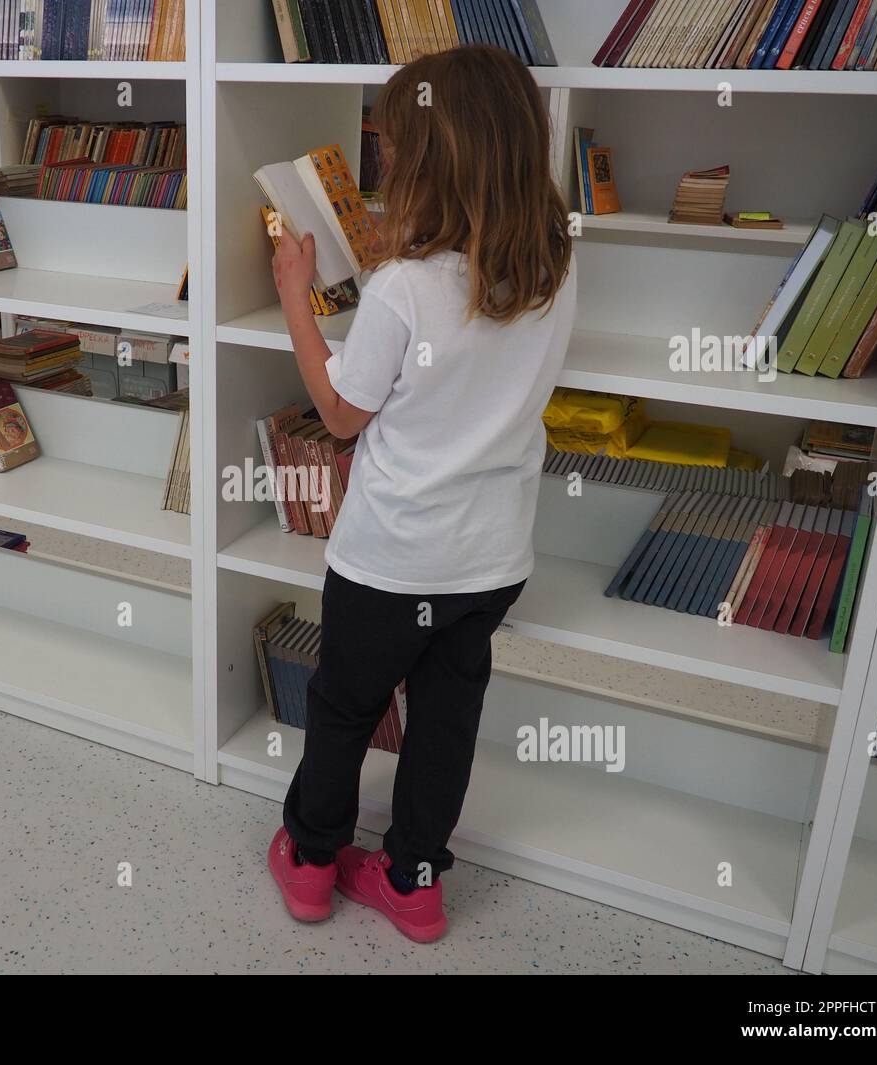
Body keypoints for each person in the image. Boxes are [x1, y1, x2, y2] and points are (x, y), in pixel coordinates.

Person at [266, 44, 577, 943]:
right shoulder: (553, 272)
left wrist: (295, 293)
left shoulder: (403, 288)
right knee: (445, 723)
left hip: (390, 561)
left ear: (435, 160)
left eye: (395, 149)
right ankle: (414, 881)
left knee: (346, 709)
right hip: (487, 561)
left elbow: (340, 410)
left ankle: (314, 862)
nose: (385, 164)